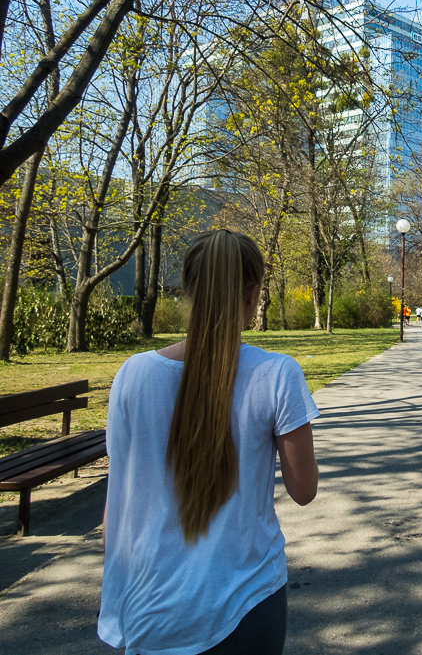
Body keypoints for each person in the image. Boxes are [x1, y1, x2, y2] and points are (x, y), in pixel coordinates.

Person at [98, 230, 319, 655]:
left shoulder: (132, 374)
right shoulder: (277, 374)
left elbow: (118, 502)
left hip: (150, 605)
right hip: (246, 599)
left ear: (187, 289)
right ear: (253, 292)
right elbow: (304, 491)